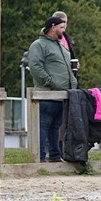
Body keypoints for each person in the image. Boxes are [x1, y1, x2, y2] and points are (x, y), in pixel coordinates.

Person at [27, 15, 78, 162]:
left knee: (56, 127)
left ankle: (55, 156)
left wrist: (72, 83)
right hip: (47, 94)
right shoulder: (39, 45)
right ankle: (40, 157)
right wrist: (50, 81)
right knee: (43, 126)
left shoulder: (60, 46)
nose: (64, 30)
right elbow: (36, 67)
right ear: (53, 27)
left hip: (61, 95)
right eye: (61, 27)